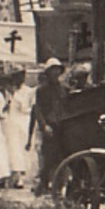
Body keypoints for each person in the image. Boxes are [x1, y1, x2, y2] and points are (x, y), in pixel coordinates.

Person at [30, 58, 66, 195]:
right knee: (48, 158)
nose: (55, 72)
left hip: (62, 126)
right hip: (49, 127)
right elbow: (38, 110)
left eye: (57, 69)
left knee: (61, 157)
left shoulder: (64, 89)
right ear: (48, 72)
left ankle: (58, 187)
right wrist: (44, 126)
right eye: (52, 70)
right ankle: (43, 184)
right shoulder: (41, 90)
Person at [5, 67, 39, 190]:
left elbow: (31, 109)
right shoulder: (10, 92)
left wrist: (22, 107)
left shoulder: (29, 91)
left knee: (23, 149)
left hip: (24, 122)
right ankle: (13, 176)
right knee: (13, 149)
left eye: (19, 76)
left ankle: (24, 178)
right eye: (15, 76)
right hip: (12, 123)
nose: (17, 79)